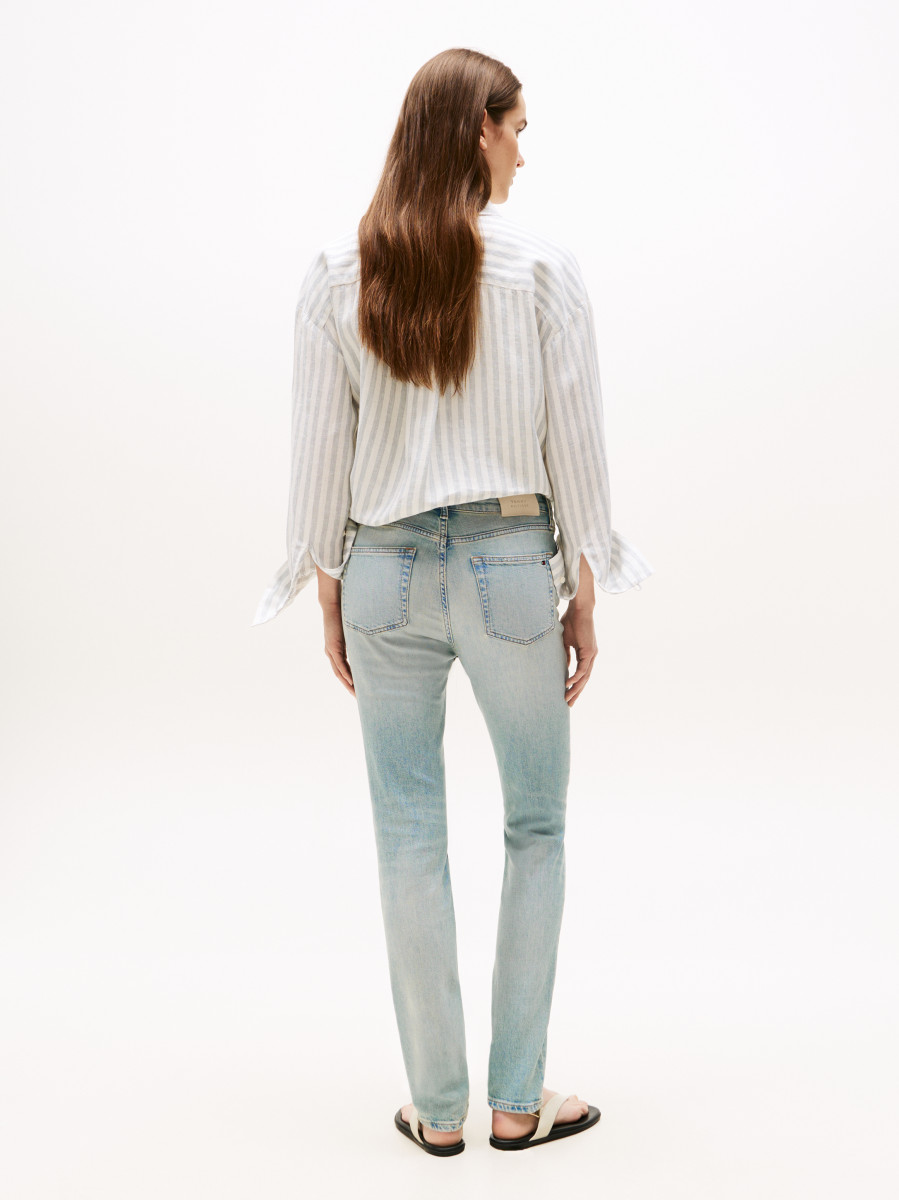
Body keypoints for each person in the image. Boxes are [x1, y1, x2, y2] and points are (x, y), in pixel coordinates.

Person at [252, 48, 653, 1156]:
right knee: (537, 823)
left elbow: (319, 452)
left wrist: (326, 590)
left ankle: (436, 1114)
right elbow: (576, 445)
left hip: (381, 572)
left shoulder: (338, 271)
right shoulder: (540, 269)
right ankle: (517, 1102)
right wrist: (581, 585)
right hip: (510, 565)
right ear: (479, 127)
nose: (524, 151)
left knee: (407, 834)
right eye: (518, 128)